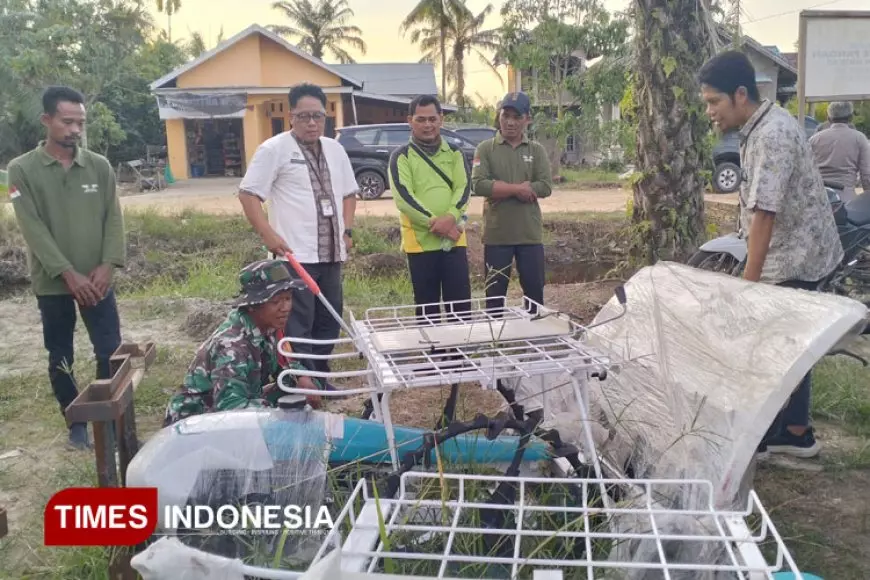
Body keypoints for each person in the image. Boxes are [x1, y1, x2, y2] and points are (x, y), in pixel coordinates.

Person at [699, 51, 844, 459]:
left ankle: (766, 435)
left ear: (740, 94)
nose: (710, 111)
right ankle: (795, 432)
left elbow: (765, 214)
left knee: (770, 349)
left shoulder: (772, 135)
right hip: (798, 251)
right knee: (791, 347)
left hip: (797, 256)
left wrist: (750, 287)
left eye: (714, 102)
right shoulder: (761, 125)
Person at [6, 86, 126, 450]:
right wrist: (67, 273)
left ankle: (109, 416)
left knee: (110, 349)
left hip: (97, 281)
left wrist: (107, 265)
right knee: (60, 354)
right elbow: (32, 228)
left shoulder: (99, 166)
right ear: (47, 120)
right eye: (67, 121)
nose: (76, 129)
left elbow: (113, 219)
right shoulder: (22, 170)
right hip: (54, 282)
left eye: (81, 123)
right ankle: (75, 421)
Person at [238, 83, 358, 385]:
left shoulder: (335, 149)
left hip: (331, 254)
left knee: (328, 320)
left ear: (326, 116)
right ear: (291, 116)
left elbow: (349, 194)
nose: (312, 122)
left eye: (317, 116)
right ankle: (301, 381)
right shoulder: (274, 149)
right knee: (297, 324)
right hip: (295, 257)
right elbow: (248, 195)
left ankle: (321, 376)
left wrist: (347, 230)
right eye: (304, 116)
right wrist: (268, 234)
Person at [163, 259, 324, 426]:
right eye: (276, 302)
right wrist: (280, 413)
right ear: (253, 305)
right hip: (197, 422)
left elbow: (286, 365)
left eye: (288, 298)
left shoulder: (269, 327)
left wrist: (303, 378)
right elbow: (231, 408)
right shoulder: (231, 347)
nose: (285, 308)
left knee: (297, 387)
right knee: (289, 408)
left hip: (234, 405)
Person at [388, 94, 472, 320]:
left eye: (432, 119)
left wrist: (452, 217)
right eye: (421, 119)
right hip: (421, 244)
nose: (428, 125)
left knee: (461, 306)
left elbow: (464, 189)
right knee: (428, 308)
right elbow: (404, 198)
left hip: (454, 240)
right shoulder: (401, 156)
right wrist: (437, 223)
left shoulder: (455, 153)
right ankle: (434, 353)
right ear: (410, 121)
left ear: (441, 119)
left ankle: (458, 355)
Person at [471, 91, 553, 315]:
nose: (509, 122)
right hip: (497, 235)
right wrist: (519, 189)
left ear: (527, 119)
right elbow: (478, 185)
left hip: (529, 235)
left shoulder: (536, 150)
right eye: (505, 115)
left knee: (534, 297)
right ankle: (495, 343)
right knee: (495, 298)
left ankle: (535, 341)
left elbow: (545, 186)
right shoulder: (486, 149)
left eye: (517, 117)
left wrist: (501, 188)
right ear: (499, 116)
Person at [808, 101, 870, 203]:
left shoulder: (814, 139)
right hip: (846, 200)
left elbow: (806, 171)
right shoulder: (859, 138)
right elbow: (866, 177)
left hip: (818, 198)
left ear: (828, 118)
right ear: (851, 118)